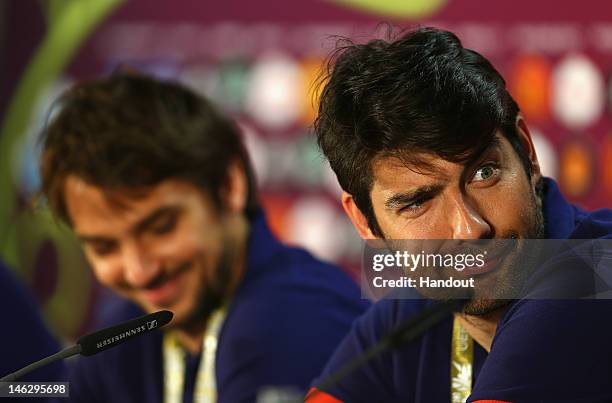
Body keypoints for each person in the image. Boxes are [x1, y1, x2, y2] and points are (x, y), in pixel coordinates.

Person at [307, 27, 612, 402]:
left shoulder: (596, 273)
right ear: (364, 222)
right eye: (418, 202)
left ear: (528, 154)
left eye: (484, 173)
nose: (470, 227)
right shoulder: (409, 315)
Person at [37, 72, 369, 403]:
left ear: (229, 186)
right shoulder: (128, 330)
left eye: (161, 227)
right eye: (104, 247)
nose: (140, 271)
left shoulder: (292, 321)